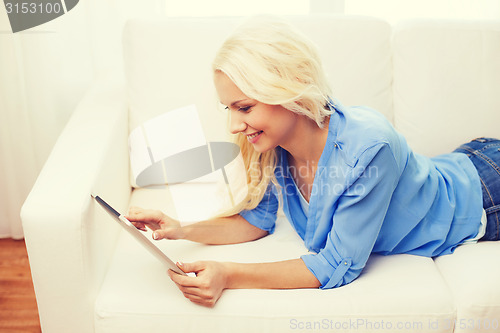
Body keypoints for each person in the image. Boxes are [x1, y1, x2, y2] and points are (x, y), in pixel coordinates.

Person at [126, 16, 500, 308]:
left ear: (288, 88)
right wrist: (180, 229)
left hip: (486, 193)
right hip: (463, 159)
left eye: (244, 107)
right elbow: (256, 222)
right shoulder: (274, 147)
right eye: (229, 108)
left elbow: (339, 265)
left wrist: (228, 275)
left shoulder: (369, 147)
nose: (234, 125)